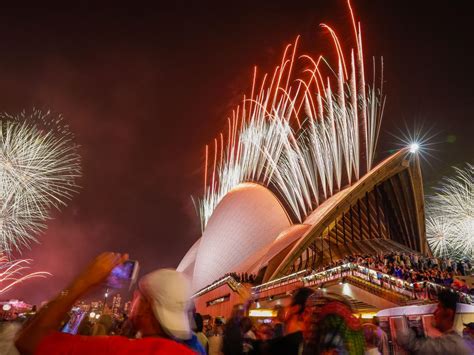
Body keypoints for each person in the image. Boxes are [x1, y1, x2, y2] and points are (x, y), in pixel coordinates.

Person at [15, 252, 195, 355]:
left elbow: (28, 342)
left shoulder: (117, 350)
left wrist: (84, 282)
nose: (133, 301)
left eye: (137, 297)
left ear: (147, 307)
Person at [396, 289, 470, 354]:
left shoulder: (451, 344)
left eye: (439, 308)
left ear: (448, 313)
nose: (434, 312)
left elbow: (415, 346)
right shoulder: (455, 340)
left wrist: (401, 327)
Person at [267, 287, 314, 355]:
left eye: (288, 305)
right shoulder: (311, 344)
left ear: (295, 309)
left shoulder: (282, 346)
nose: (284, 308)